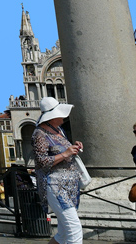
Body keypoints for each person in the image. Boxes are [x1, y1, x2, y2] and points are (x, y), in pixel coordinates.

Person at [32, 96, 84, 244]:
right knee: (74, 230)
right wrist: (65, 153)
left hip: (69, 186)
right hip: (56, 186)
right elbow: (41, 162)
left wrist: (74, 147)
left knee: (62, 234)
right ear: (51, 117)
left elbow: (61, 151)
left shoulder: (59, 129)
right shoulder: (39, 134)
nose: (63, 116)